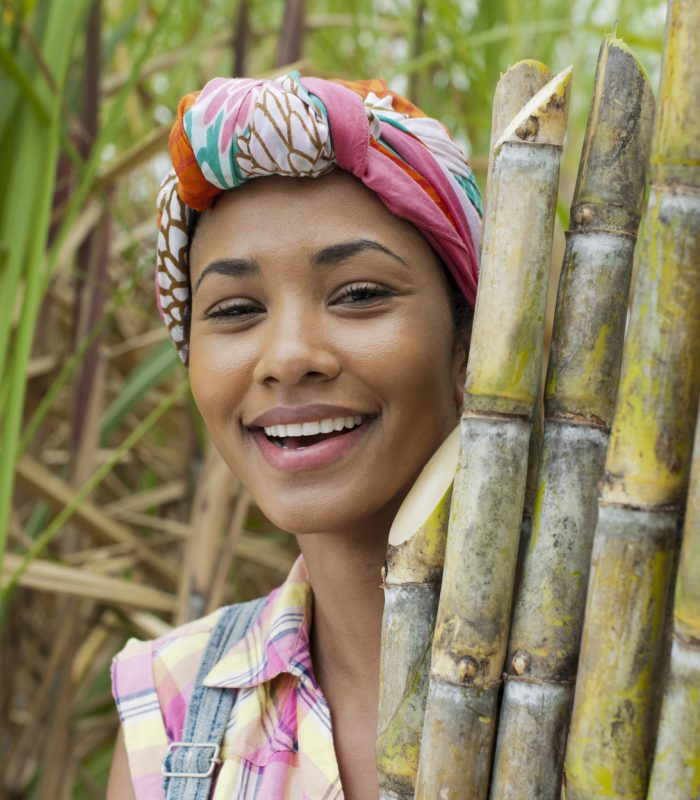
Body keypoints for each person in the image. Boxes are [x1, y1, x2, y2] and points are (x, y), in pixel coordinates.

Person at [108, 71, 482, 800]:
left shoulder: (641, 673)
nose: (287, 358)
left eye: (361, 295)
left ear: (470, 346)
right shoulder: (173, 719)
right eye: (235, 309)